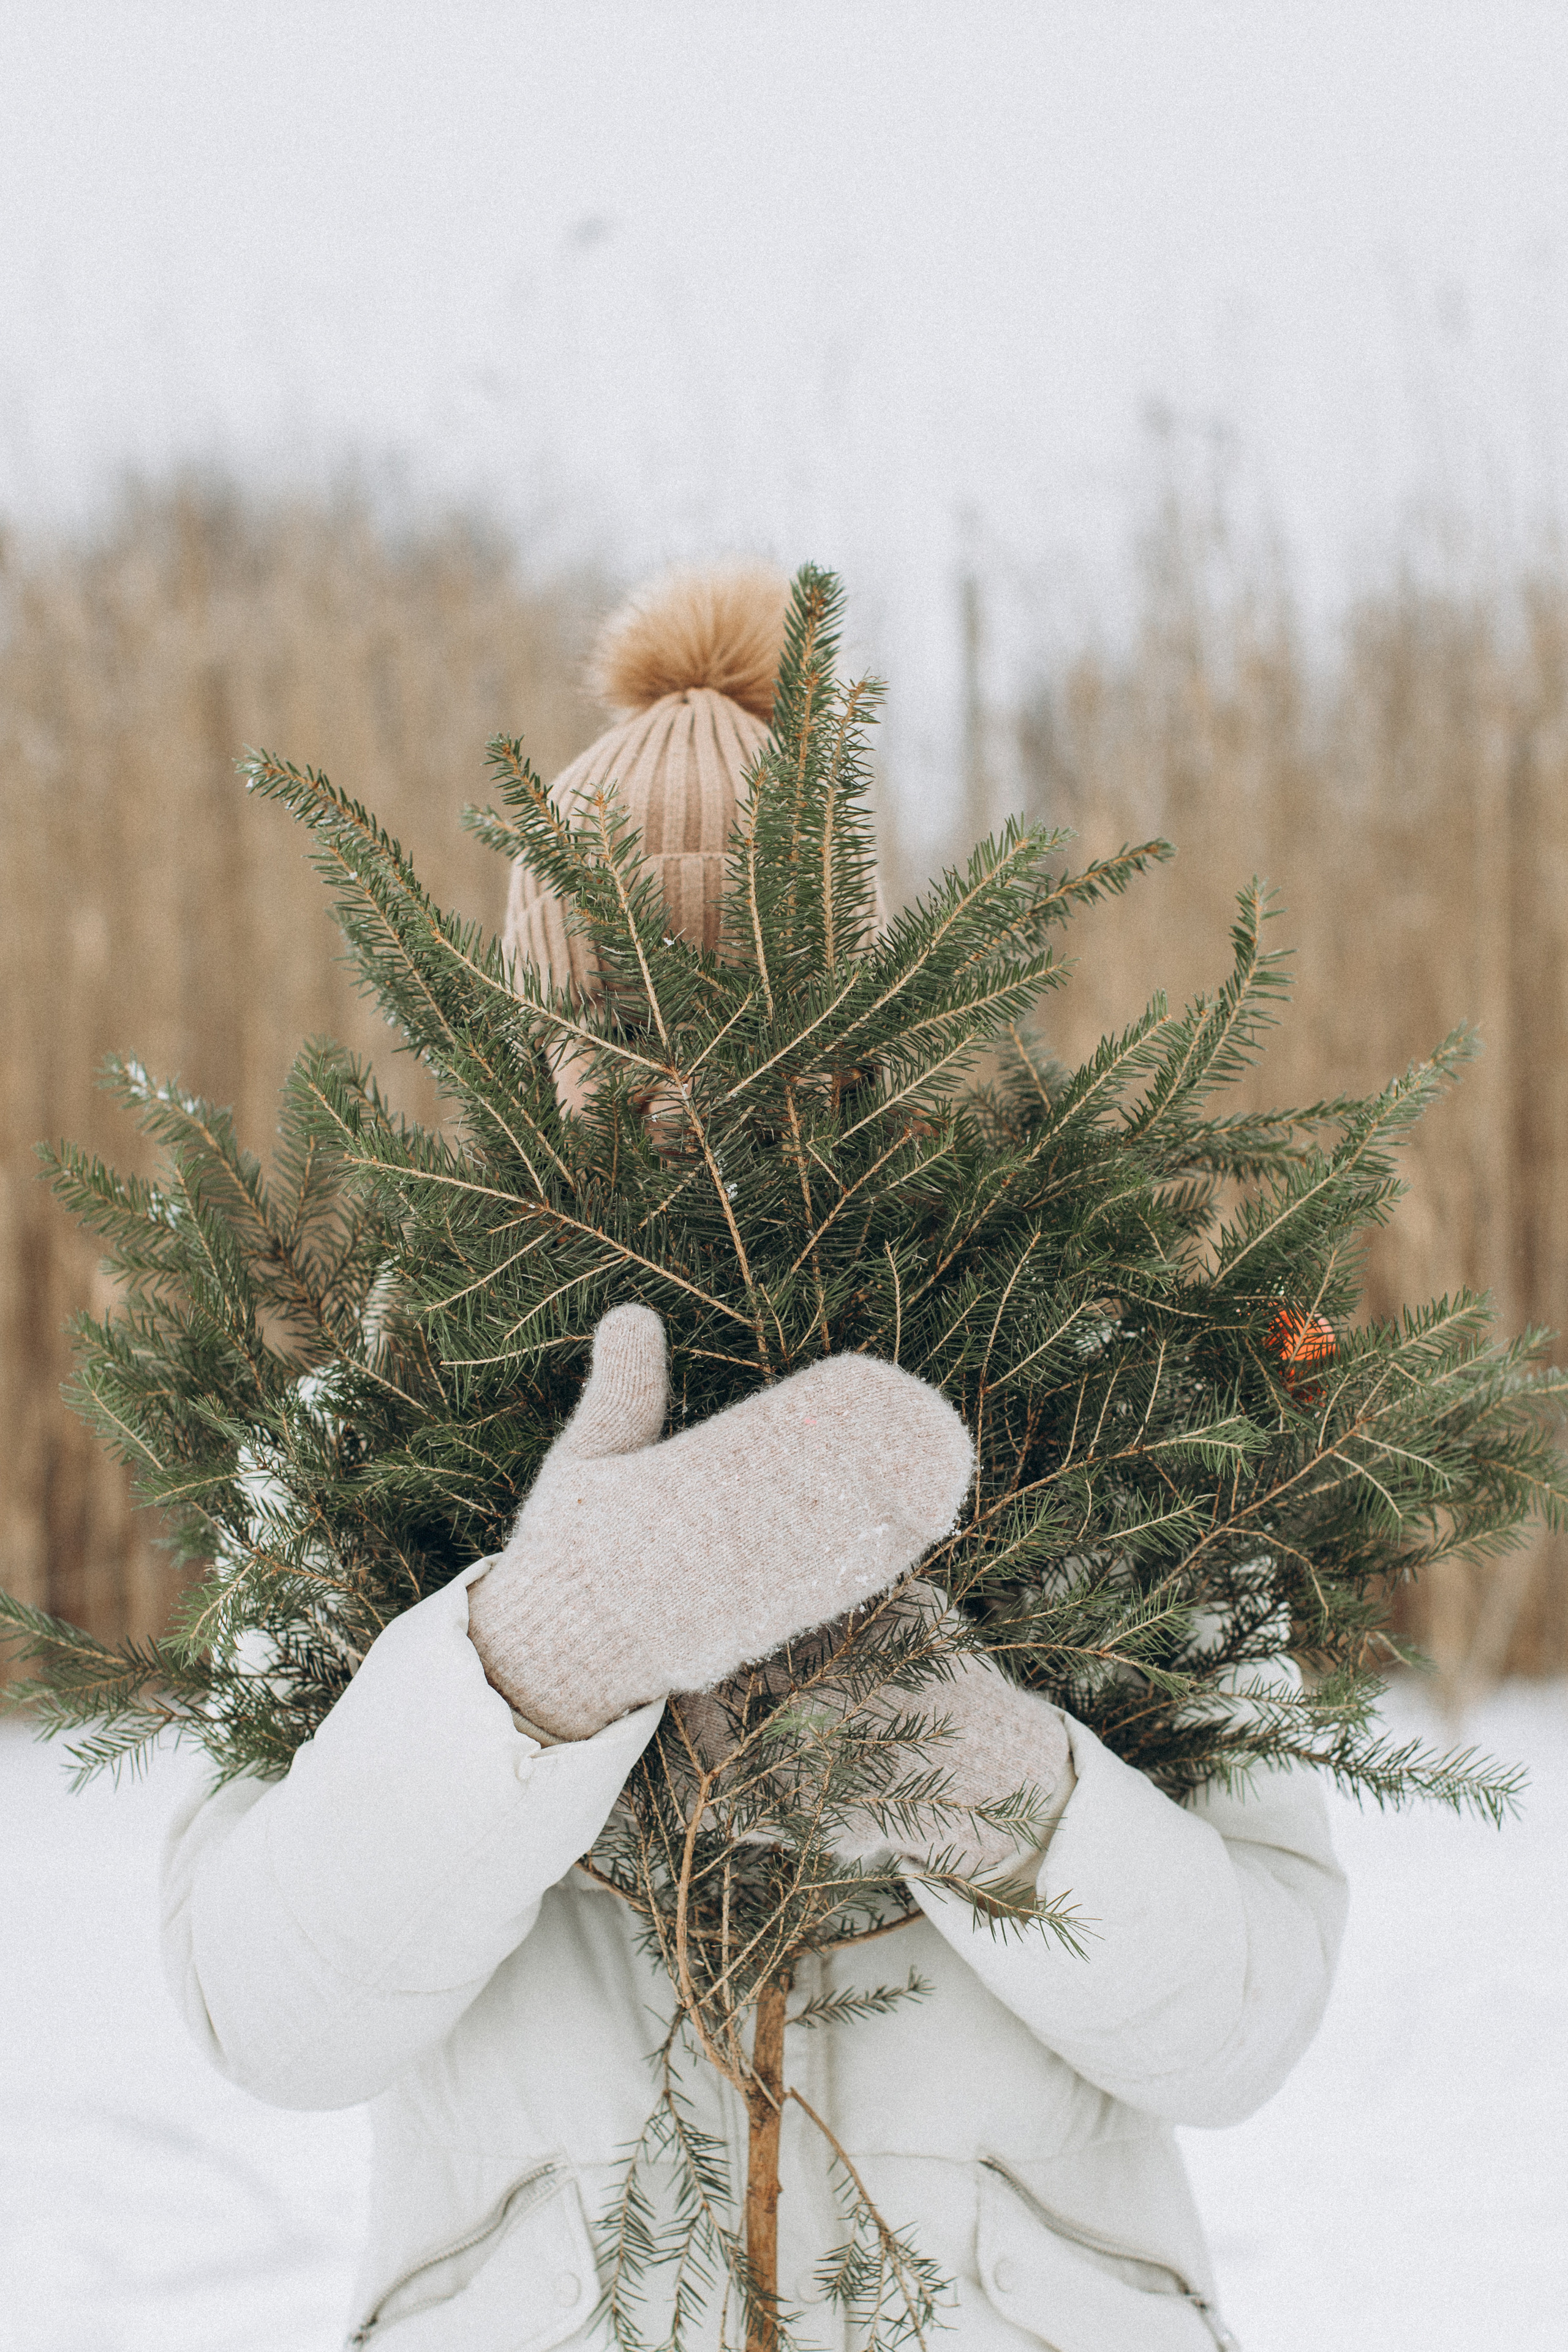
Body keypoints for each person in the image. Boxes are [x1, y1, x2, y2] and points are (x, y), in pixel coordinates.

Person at [162, 568, 1346, 2351]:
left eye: (762, 1011)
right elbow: (270, 2013)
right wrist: (526, 1674)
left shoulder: (1083, 1390)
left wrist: (992, 1782)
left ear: (866, 1005)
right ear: (530, 1020)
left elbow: (1247, 2024)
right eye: (628, 1019)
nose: (695, 1087)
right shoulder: (385, 1421)